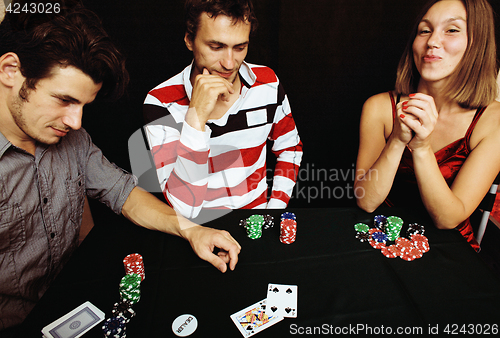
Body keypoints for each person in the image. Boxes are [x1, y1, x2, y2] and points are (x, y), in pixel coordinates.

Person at [0, 1, 241, 331]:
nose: (75, 121)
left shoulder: (74, 139)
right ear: (10, 70)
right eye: (64, 99)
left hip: (75, 300)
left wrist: (192, 229)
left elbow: (125, 194)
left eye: (84, 104)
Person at [355, 0, 500, 251]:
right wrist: (398, 140)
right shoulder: (379, 107)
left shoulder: (493, 121)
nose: (432, 41)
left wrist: (421, 147)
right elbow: (365, 202)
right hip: (384, 238)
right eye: (425, 30)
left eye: (452, 30)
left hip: (453, 250)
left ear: (478, 44)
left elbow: (448, 219)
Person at [143, 0, 303, 219]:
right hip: (196, 230)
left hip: (255, 221)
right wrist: (196, 117)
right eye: (216, 47)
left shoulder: (268, 83)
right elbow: (184, 206)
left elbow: (290, 147)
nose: (229, 63)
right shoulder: (160, 102)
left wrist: (274, 209)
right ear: (190, 40)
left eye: (240, 48)